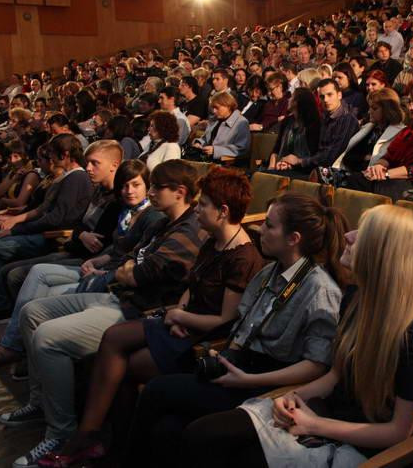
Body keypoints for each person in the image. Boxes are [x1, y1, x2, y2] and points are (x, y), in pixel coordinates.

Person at [183, 204, 413, 467]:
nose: (348, 235)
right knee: (201, 433)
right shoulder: (356, 299)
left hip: (356, 443)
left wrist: (314, 424)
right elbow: (334, 376)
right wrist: (289, 397)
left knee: (230, 452)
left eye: (362, 233)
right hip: (321, 414)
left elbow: (399, 432)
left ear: (384, 253)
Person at [38, 168, 265, 465]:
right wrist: (180, 311)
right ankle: (92, 438)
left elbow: (225, 320)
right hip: (182, 321)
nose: (197, 209)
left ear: (223, 211)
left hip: (201, 339)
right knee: (113, 339)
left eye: (203, 204)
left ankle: (108, 446)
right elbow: (191, 287)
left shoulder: (243, 257)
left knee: (123, 367)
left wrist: (181, 318)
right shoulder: (213, 240)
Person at [2, 160, 206, 468]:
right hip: (119, 296)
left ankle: (61, 432)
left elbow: (139, 273)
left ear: (179, 192)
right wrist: (127, 270)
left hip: (138, 310)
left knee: (47, 336)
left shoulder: (188, 229)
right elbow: (127, 258)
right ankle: (39, 402)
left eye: (155, 187)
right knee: (32, 311)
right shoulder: (163, 222)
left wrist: (129, 271)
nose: (149, 192)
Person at [123, 192, 348, 466]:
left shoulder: (319, 289)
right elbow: (245, 325)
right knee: (167, 428)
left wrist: (249, 380)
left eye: (269, 225)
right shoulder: (270, 272)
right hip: (240, 368)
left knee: (156, 390)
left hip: (270, 384)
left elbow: (317, 365)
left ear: (293, 239)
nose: (260, 229)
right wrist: (227, 355)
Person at [0, 159, 154, 373]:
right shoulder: (121, 208)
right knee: (36, 272)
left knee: (35, 289)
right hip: (93, 262)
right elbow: (102, 242)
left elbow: (132, 258)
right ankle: (16, 349)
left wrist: (99, 263)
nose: (129, 191)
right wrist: (93, 255)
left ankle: (23, 352)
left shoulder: (150, 217)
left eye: (136, 185)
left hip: (109, 276)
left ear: (148, 186)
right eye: (124, 186)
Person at [0, 135, 94, 326]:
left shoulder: (76, 178)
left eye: (52, 154)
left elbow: (56, 219)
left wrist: (16, 230)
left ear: (64, 154)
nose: (50, 158)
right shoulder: (66, 177)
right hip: (41, 232)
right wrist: (14, 221)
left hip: (52, 238)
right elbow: (41, 210)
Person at [347, 76, 413, 201]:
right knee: (352, 180)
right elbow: (390, 156)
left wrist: (385, 174)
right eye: (409, 102)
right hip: (393, 180)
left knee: (356, 183)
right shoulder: (408, 130)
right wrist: (378, 166)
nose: (410, 107)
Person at [270, 79, 358, 178]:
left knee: (272, 177)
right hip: (314, 169)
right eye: (322, 96)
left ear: (339, 95)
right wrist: (289, 163)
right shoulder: (324, 118)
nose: (325, 100)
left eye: (330, 95)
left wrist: (299, 161)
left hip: (333, 174)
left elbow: (330, 157)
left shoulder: (347, 119)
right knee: (267, 175)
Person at [329, 88, 406, 173]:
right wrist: (365, 157)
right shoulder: (369, 129)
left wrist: (363, 158)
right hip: (354, 173)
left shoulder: (400, 133)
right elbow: (348, 157)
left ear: (387, 110)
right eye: (369, 107)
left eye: (374, 108)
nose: (369, 112)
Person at [268, 88, 322, 171]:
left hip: (303, 169)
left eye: (292, 97)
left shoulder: (313, 125)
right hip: (281, 165)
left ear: (297, 102)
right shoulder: (287, 121)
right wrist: (271, 167)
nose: (289, 99)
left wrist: (293, 163)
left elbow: (313, 155)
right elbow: (276, 148)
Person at [192, 92, 251, 162]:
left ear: (228, 106)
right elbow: (206, 138)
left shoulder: (241, 123)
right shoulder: (214, 119)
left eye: (217, 108)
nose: (214, 111)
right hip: (205, 159)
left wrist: (215, 150)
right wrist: (199, 143)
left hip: (225, 163)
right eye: (213, 107)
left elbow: (241, 148)